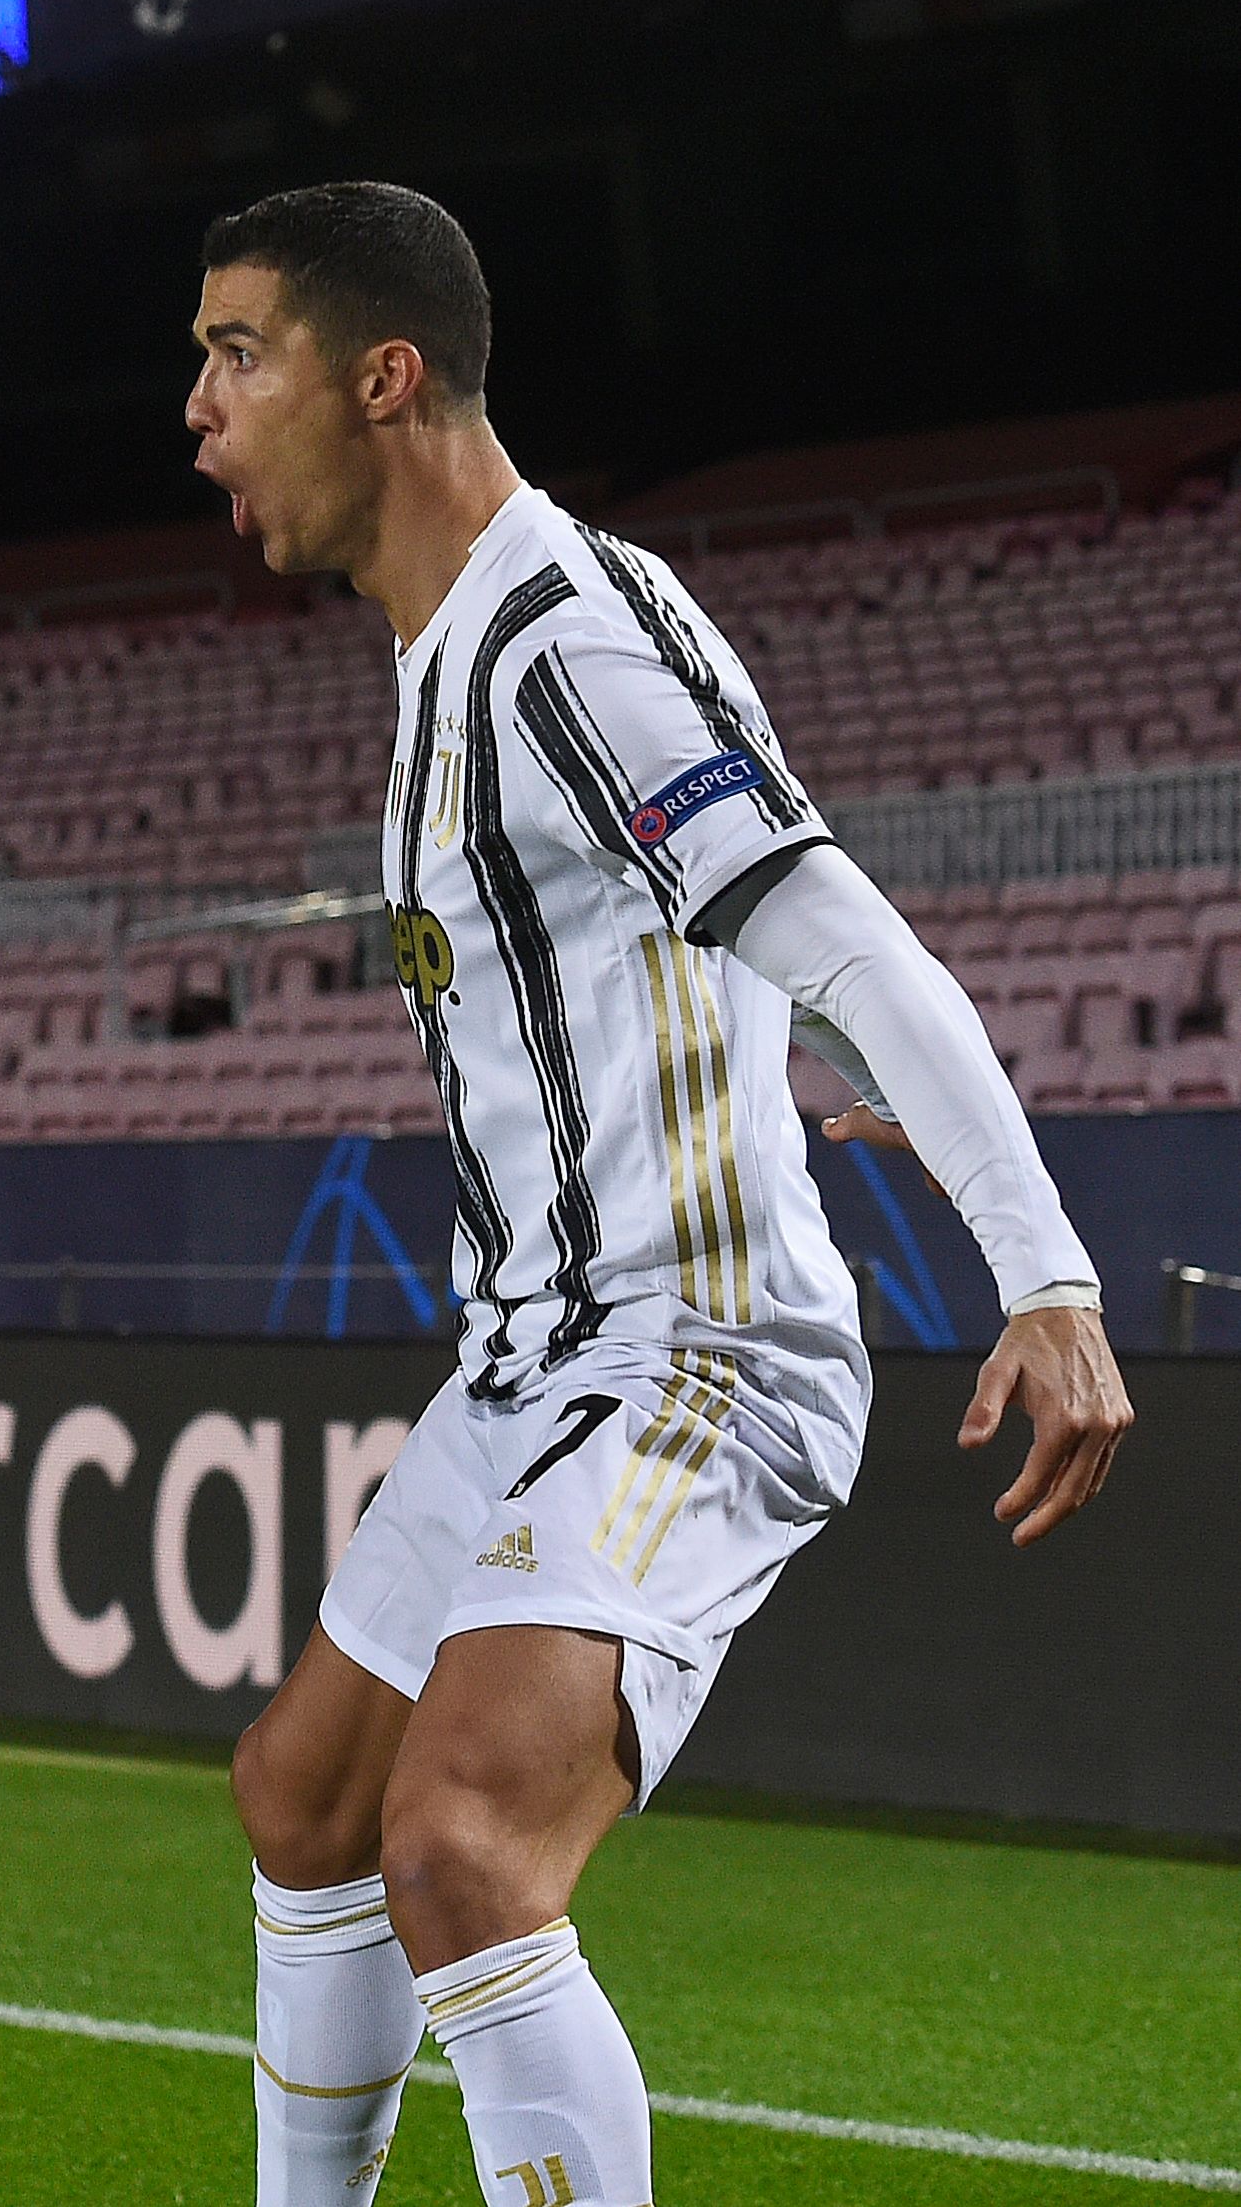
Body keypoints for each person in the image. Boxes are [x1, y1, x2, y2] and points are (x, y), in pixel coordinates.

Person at [188, 183, 1131, 2207]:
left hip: (696, 1344)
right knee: (305, 1793)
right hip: (533, 1352)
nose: (193, 406)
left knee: (454, 1842)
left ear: (382, 377)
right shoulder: (455, 648)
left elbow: (848, 941)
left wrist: (1039, 1274)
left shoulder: (557, 642)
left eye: (231, 352)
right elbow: (663, 960)